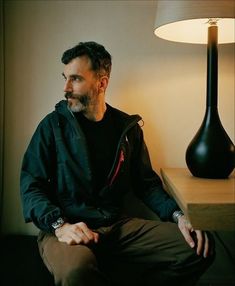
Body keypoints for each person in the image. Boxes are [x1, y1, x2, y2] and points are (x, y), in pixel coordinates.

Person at [20, 41, 214, 286]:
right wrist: (60, 226)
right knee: (76, 272)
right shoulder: (52, 126)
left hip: (116, 227)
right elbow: (31, 185)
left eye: (76, 79)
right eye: (65, 78)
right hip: (66, 229)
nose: (66, 88)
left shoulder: (127, 128)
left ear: (102, 83)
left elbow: (147, 185)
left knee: (198, 247)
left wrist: (179, 216)